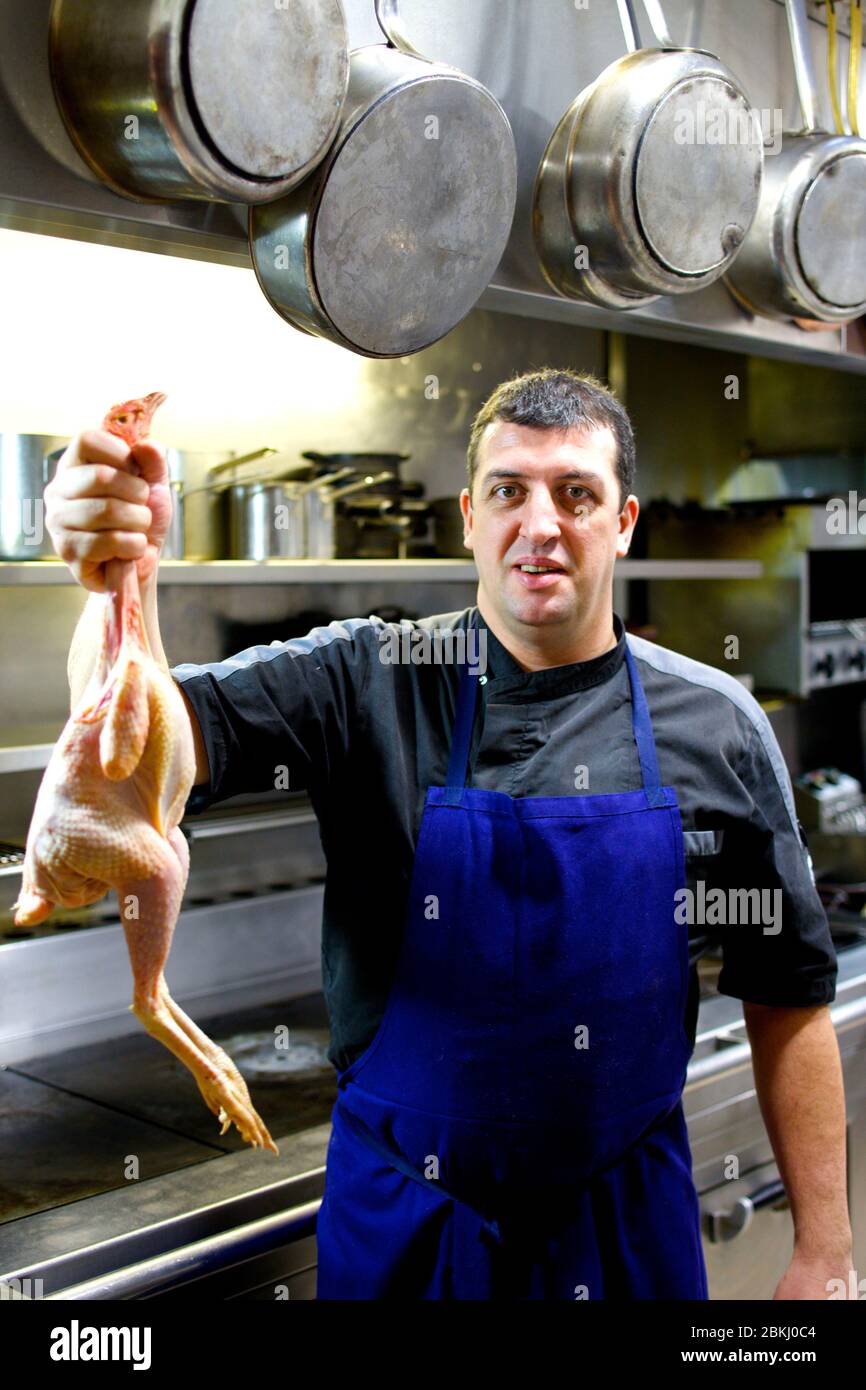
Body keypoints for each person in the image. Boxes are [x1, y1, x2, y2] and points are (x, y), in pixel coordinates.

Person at [46, 368, 850, 1301]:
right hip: (408, 1238)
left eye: (577, 494)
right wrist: (108, 579)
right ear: (470, 514)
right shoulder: (365, 679)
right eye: (510, 490)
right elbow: (123, 750)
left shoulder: (717, 722)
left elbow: (789, 993)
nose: (539, 524)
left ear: (625, 522)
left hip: (623, 1237)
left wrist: (826, 1252)